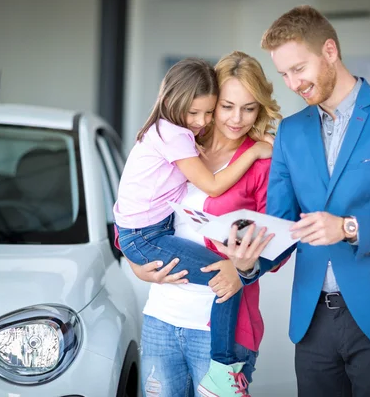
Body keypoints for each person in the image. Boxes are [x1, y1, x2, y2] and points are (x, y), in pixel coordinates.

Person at [217, 5, 370, 397]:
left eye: (298, 69)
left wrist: (347, 228)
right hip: (312, 318)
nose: (292, 83)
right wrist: (250, 260)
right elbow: (281, 225)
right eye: (284, 73)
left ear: (330, 51)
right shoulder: (289, 132)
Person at [113, 57, 273, 395]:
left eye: (248, 108)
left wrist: (244, 269)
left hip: (217, 327)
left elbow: (279, 241)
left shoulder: (263, 162)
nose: (235, 118)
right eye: (226, 106)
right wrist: (135, 264)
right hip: (161, 317)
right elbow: (134, 205)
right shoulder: (180, 142)